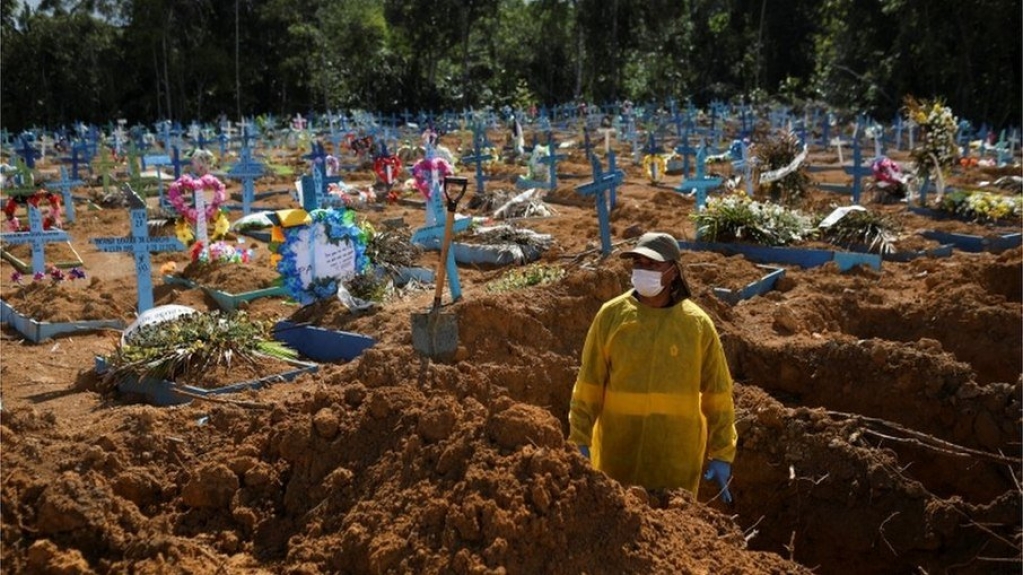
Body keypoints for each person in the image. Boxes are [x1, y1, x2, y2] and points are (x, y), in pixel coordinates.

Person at [568, 232, 737, 502]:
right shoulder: (611, 316)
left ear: (673, 272)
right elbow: (588, 384)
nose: (642, 270)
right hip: (617, 458)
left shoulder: (697, 326)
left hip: (675, 465)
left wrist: (721, 453)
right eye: (638, 263)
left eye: (652, 265)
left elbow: (718, 394)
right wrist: (579, 438)